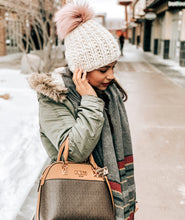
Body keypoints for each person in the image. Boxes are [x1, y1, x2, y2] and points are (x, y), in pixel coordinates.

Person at [29, 2, 138, 220]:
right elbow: (73, 153)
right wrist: (89, 100)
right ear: (80, 69)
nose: (111, 76)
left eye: (113, 67)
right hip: (75, 199)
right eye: (103, 69)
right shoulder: (55, 95)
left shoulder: (109, 93)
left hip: (108, 197)